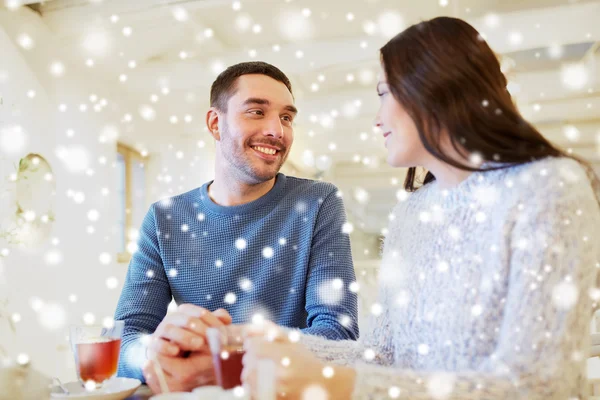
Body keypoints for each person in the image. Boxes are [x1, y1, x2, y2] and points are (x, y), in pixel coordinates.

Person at [242, 17, 600, 399]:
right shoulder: (411, 214)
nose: (377, 119)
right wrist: (247, 339)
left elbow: (538, 386)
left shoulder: (547, 188)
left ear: (432, 86)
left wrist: (335, 384)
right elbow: (381, 358)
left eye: (384, 93)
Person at [114, 61, 359, 393]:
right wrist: (154, 350)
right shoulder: (164, 218)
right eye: (257, 112)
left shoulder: (318, 202)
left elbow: (338, 336)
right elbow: (123, 341)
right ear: (216, 123)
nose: (278, 130)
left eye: (287, 117)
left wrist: (223, 353)